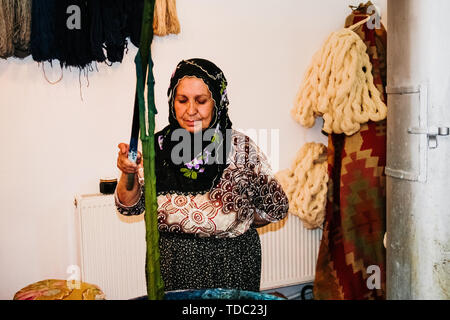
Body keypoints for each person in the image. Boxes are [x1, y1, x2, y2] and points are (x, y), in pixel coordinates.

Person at [115, 58, 289, 292]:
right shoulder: (154, 148)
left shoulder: (241, 149)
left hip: (229, 266)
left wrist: (238, 223)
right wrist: (129, 174)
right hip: (170, 265)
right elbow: (129, 207)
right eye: (182, 100)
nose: (191, 110)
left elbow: (274, 207)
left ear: (218, 101)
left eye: (201, 101)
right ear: (171, 101)